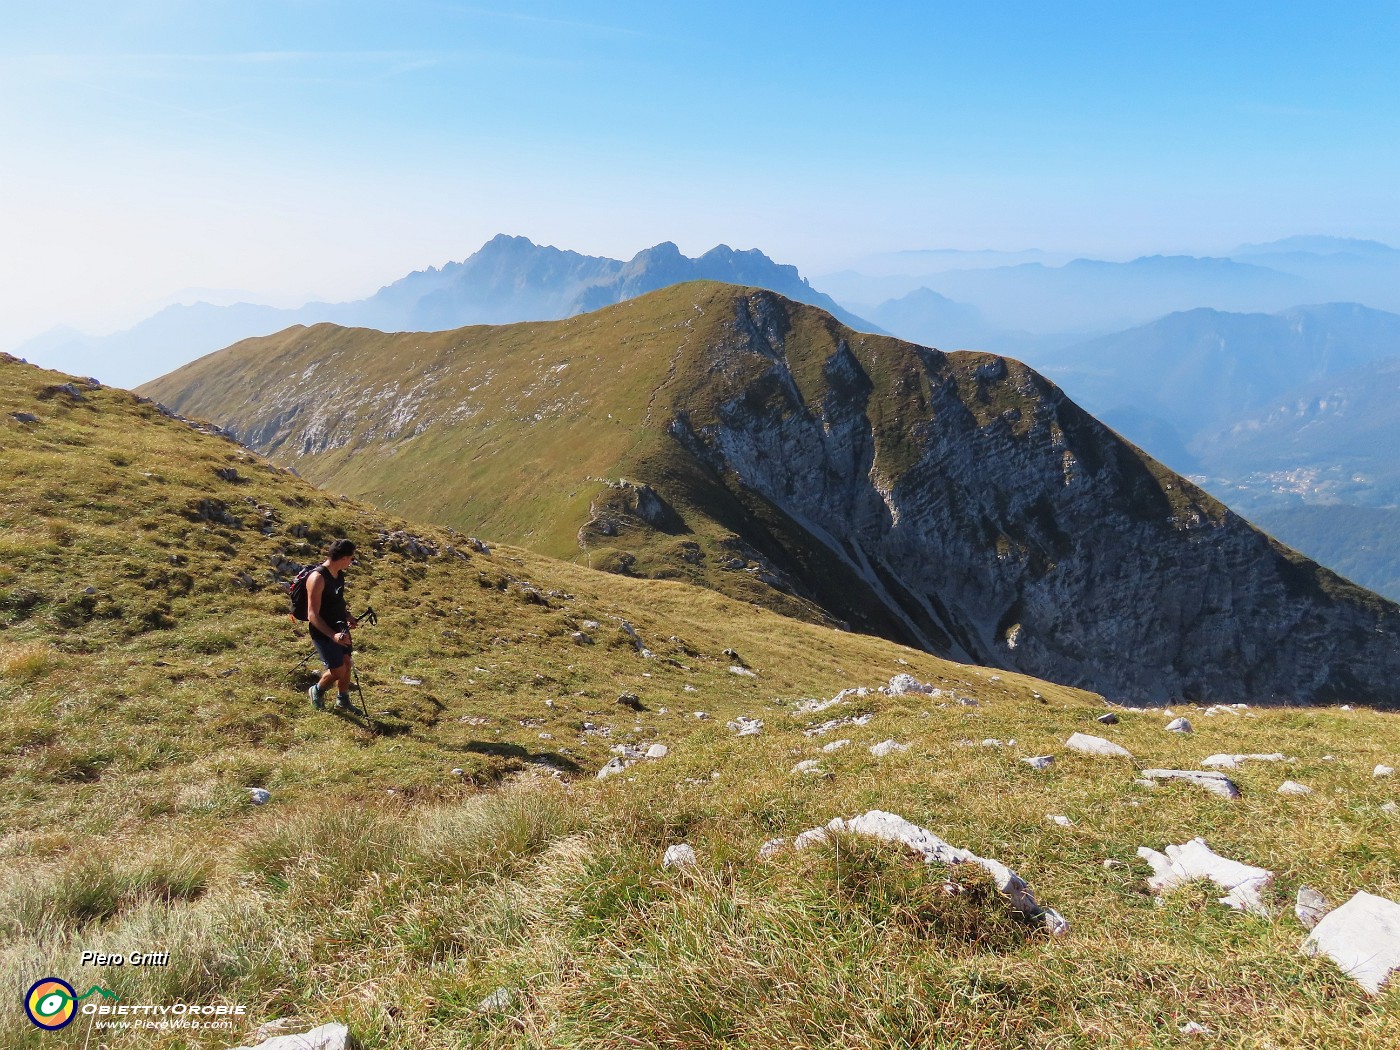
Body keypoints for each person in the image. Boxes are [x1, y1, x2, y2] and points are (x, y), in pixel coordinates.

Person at [306, 539, 359, 711]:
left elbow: (336, 601)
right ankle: (316, 690)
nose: (351, 562)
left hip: (339, 627)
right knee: (338, 671)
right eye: (351, 558)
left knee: (347, 663)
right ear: (343, 558)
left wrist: (347, 615)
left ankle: (342, 700)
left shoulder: (338, 574)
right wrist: (332, 635)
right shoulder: (318, 578)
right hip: (324, 631)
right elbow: (312, 614)